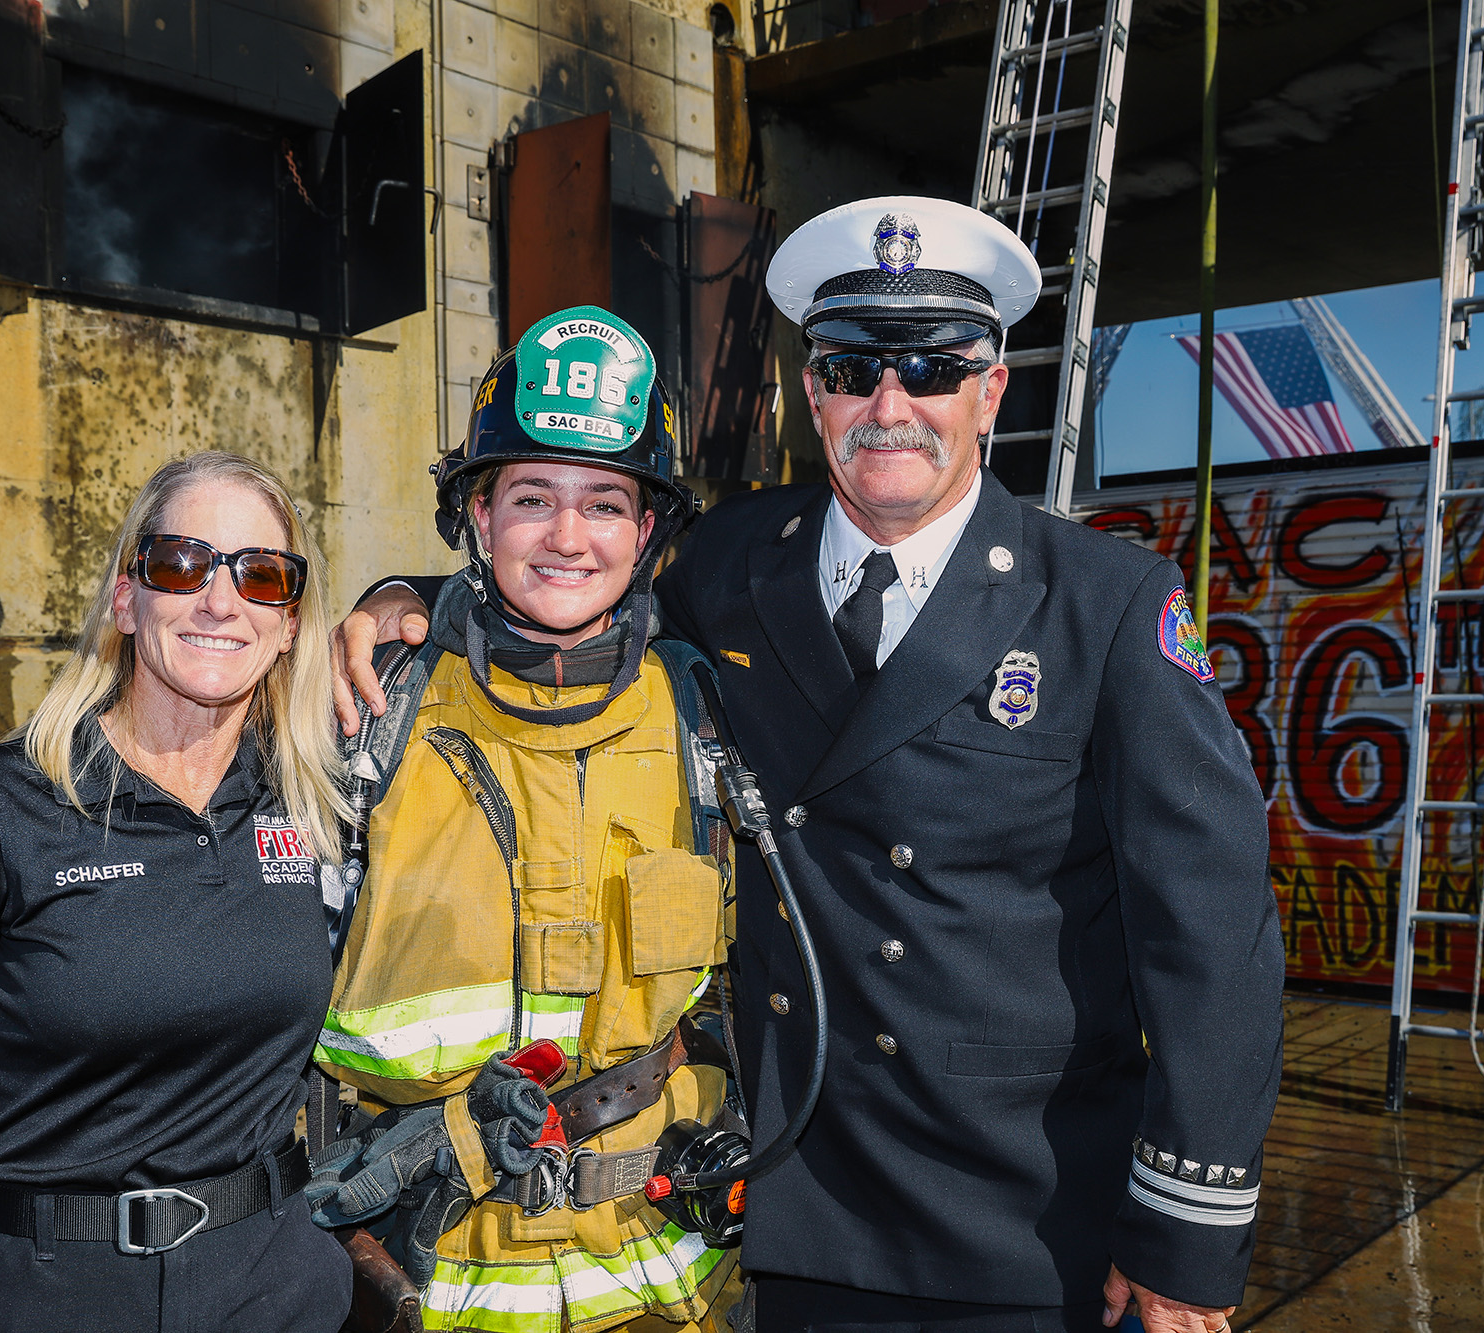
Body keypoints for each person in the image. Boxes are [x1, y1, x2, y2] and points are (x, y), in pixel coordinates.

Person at [339, 198, 1286, 1333]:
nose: (890, 406)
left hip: (1019, 1225)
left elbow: (1211, 934)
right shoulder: (732, 562)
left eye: (932, 370)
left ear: (990, 390)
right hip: (782, 1208)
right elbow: (563, 586)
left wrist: (1183, 1231)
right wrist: (415, 604)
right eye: (852, 367)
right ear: (812, 394)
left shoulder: (1105, 605)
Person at [0, 451, 356, 1333]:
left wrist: (398, 601)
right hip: (44, 1289)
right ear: (127, 597)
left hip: (274, 1286)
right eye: (180, 563)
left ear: (292, 623)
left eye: (261, 575)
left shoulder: (319, 801)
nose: (220, 600)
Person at [306, 306, 745, 1332]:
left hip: (663, 1278)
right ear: (474, 513)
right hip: (413, 1269)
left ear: (648, 532)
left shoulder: (703, 708)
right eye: (531, 496)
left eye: (604, 502)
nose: (565, 535)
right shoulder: (369, 706)